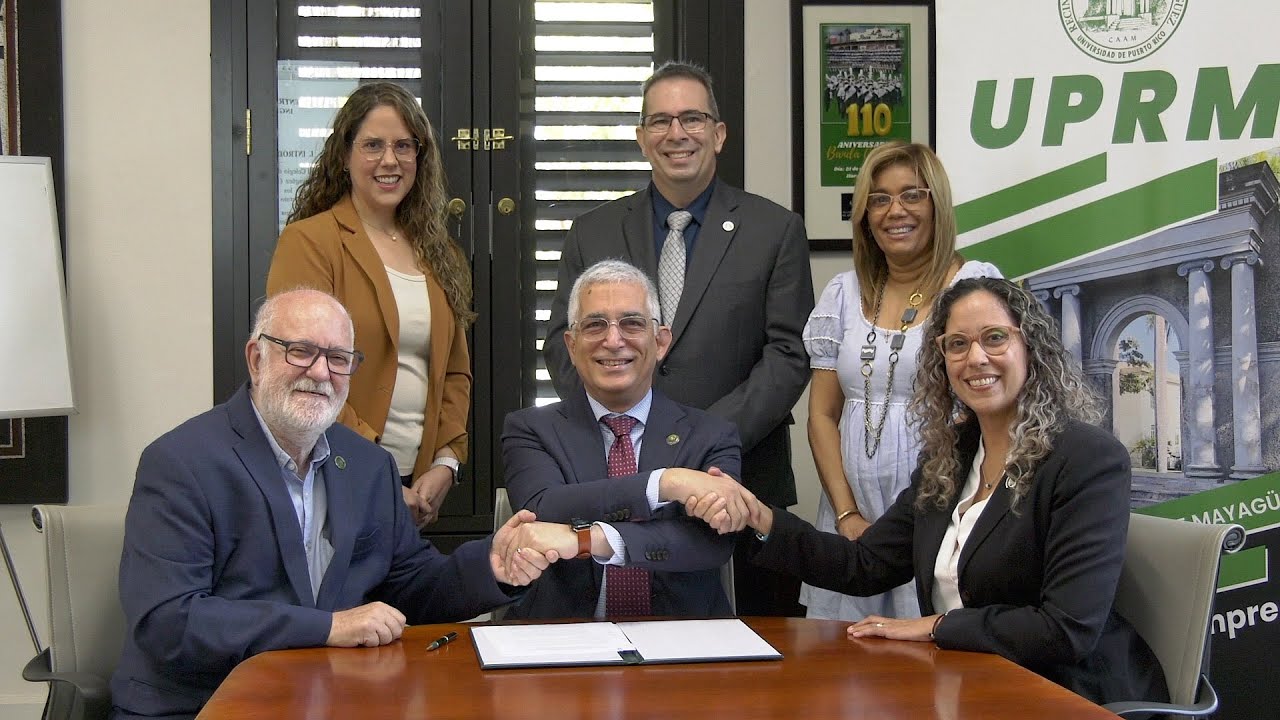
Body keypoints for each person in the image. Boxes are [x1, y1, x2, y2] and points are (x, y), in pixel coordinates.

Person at [687, 277, 1168, 706]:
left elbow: (1065, 631)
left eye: (995, 338)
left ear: (1032, 348)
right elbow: (864, 565)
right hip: (967, 685)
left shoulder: (1088, 459)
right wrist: (758, 517)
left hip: (1069, 694)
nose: (975, 357)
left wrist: (936, 627)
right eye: (957, 344)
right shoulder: (952, 457)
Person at [111, 290, 558, 720]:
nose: (321, 372)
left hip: (332, 698)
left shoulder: (367, 464)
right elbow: (168, 620)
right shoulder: (180, 462)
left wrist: (492, 565)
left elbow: (411, 586)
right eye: (301, 351)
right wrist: (328, 627)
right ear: (256, 359)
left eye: (338, 359)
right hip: (203, 705)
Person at [543, 61, 813, 616]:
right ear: (643, 137)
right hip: (617, 472)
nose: (676, 133)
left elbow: (788, 354)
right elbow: (560, 340)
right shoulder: (592, 231)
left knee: (745, 671)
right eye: (660, 121)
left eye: (692, 118)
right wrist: (621, 431)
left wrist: (704, 442)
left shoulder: (774, 229)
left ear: (718, 133)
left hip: (740, 475)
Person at [801, 140, 1001, 621]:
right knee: (844, 672)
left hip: (943, 515)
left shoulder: (973, 286)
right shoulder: (843, 293)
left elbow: (998, 420)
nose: (896, 211)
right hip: (850, 519)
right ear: (865, 214)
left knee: (932, 665)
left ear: (937, 204)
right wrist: (848, 515)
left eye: (912, 195)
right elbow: (822, 415)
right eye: (880, 197)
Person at [268, 81, 471, 528]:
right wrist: (373, 471)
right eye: (373, 145)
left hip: (416, 489)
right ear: (344, 156)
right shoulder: (310, 242)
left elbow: (455, 370)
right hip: (332, 475)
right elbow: (301, 370)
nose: (389, 160)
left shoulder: (442, 255)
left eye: (403, 145)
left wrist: (447, 460)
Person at [501, 260, 750, 619]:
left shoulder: (711, 434)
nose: (613, 340)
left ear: (661, 341)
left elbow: (711, 541)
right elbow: (544, 508)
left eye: (632, 323)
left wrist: (587, 540)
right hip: (561, 638)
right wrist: (665, 483)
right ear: (571, 346)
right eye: (594, 325)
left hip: (685, 640)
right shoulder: (531, 429)